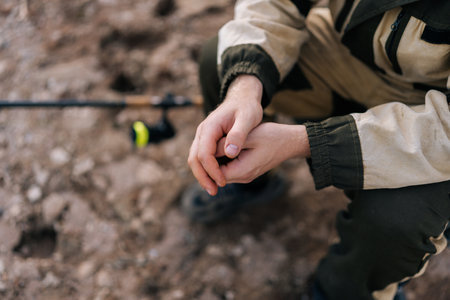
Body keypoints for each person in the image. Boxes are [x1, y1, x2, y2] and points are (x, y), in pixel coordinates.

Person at [183, 1, 450, 299]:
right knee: (220, 60)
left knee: (397, 221)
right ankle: (249, 183)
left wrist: (308, 141)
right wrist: (244, 88)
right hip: (352, 59)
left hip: (437, 121)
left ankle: (343, 292)